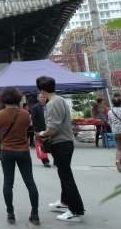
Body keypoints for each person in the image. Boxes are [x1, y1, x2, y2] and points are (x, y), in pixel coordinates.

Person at [37, 76, 84, 223]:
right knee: (64, 174)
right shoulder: (59, 99)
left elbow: (53, 128)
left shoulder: (53, 103)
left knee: (66, 176)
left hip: (61, 143)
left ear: (42, 90)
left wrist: (41, 134)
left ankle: (75, 210)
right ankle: (65, 202)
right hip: (65, 142)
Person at [0, 87, 40, 225]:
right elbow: (28, 128)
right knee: (30, 182)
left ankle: (10, 213)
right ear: (18, 98)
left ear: (3, 99)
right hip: (23, 150)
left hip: (6, 150)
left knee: (8, 183)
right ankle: (35, 214)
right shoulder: (26, 114)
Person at [31, 93, 51, 167]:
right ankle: (45, 161)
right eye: (41, 97)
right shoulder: (35, 108)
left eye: (44, 97)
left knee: (54, 145)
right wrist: (35, 131)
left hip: (50, 129)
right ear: (38, 98)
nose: (43, 98)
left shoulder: (49, 106)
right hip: (40, 130)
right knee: (41, 145)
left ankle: (57, 160)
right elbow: (34, 120)